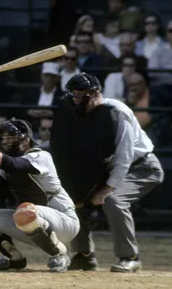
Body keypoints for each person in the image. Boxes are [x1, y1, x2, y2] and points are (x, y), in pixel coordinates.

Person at [50, 72, 164, 273]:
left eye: (80, 95)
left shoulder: (116, 112)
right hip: (108, 168)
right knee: (76, 198)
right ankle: (84, 255)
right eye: (73, 95)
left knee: (114, 201)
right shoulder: (77, 113)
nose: (75, 100)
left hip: (142, 167)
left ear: (94, 94)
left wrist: (107, 189)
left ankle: (130, 257)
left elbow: (124, 156)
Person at [0, 119, 79, 273]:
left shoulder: (40, 155)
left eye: (11, 136)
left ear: (26, 139)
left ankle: (60, 254)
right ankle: (14, 259)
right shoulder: (3, 163)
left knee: (24, 211)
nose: (6, 141)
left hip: (64, 221)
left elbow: (14, 165)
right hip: (30, 220)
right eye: (4, 137)